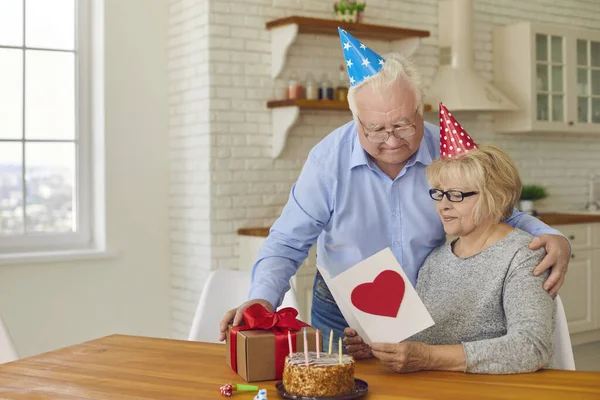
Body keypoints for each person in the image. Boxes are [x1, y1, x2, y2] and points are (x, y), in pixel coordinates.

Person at [219, 29, 570, 347]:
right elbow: (286, 242)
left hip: (427, 306)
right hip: (344, 308)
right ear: (356, 121)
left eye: (403, 125)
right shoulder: (328, 160)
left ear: (420, 111)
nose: (391, 141)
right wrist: (262, 299)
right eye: (375, 129)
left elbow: (495, 207)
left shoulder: (447, 150)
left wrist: (550, 235)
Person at [344, 105, 555, 374]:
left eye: (456, 195)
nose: (442, 206)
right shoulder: (436, 259)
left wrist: (429, 357)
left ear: (496, 198)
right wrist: (378, 345)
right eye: (439, 193)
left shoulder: (523, 256)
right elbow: (427, 342)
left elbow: (532, 348)